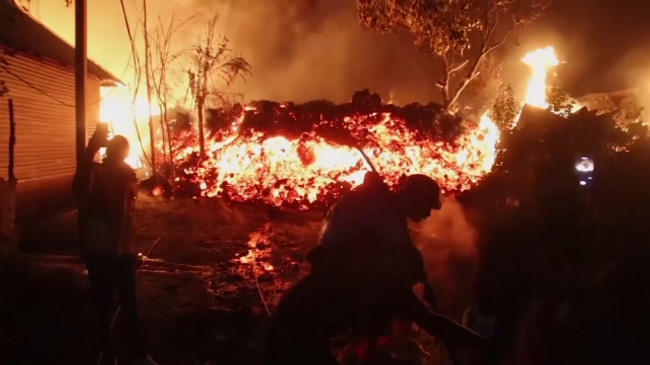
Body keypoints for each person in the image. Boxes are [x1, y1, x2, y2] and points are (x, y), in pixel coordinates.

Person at [261, 172, 488, 364]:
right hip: (293, 338)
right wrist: (485, 345)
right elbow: (432, 321)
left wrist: (425, 281)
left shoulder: (385, 229)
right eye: (426, 205)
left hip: (296, 326)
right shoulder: (379, 278)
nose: (428, 214)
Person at [73, 129, 158, 365]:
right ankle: (110, 355)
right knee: (104, 304)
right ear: (110, 151)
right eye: (118, 149)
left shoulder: (128, 175)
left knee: (127, 303)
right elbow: (79, 190)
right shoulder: (96, 172)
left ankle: (138, 355)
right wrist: (90, 149)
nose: (121, 154)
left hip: (121, 250)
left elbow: (127, 213)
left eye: (122, 151)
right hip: (101, 250)